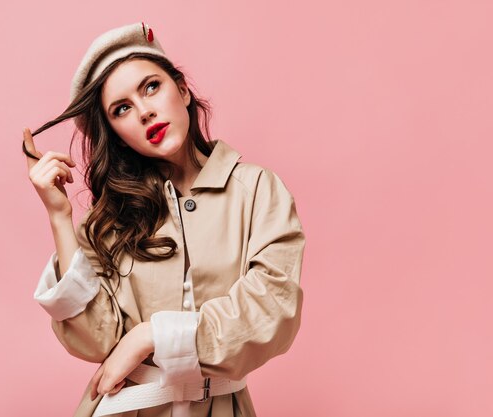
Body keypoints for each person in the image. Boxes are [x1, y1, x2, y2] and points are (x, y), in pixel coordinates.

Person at [23, 21, 305, 417]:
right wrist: (59, 216)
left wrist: (151, 336)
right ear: (118, 134)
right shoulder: (110, 218)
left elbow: (272, 312)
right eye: (122, 109)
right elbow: (93, 341)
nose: (144, 112)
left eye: (151, 87)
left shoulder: (256, 190)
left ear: (183, 90)